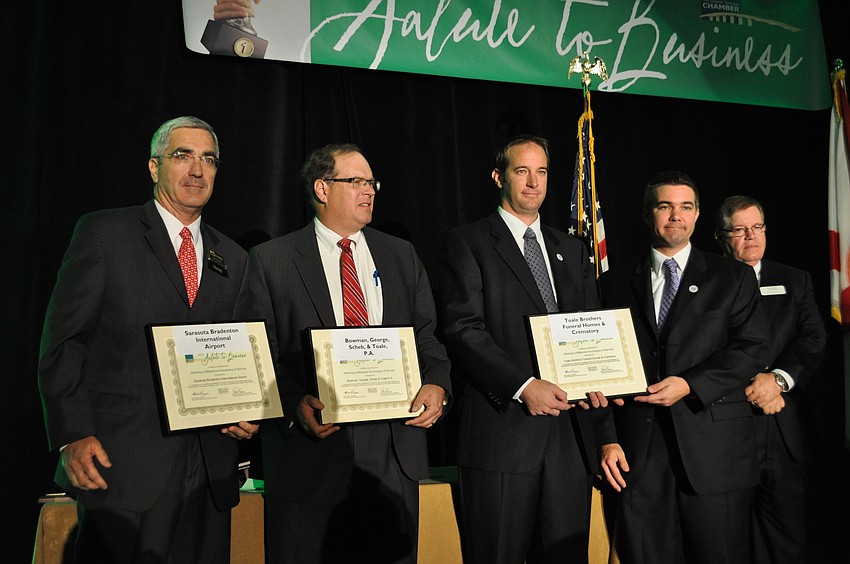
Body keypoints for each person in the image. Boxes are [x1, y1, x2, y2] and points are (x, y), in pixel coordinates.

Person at [37, 116, 258, 563]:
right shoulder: (104, 234)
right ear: (154, 167)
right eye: (182, 155)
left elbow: (237, 349)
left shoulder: (232, 256)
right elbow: (64, 343)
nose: (196, 169)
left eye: (208, 159)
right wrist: (72, 434)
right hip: (123, 461)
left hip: (208, 469)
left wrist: (247, 407)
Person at [236, 143, 451, 563]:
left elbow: (427, 337)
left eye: (372, 183)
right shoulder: (271, 260)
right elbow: (259, 354)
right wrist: (293, 403)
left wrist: (437, 384)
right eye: (356, 181)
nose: (369, 190)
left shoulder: (401, 255)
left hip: (392, 456)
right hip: (312, 458)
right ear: (322, 188)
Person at [436, 134, 607, 563]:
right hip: (501, 437)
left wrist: (603, 383)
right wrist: (524, 385)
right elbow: (462, 329)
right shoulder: (468, 241)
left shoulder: (572, 249)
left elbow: (592, 332)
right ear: (499, 177)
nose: (534, 182)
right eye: (522, 171)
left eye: (542, 172)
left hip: (569, 441)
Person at [597, 171, 769, 564]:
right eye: (665, 206)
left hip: (715, 454)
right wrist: (605, 437)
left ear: (697, 215)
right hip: (638, 455)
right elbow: (599, 366)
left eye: (686, 207)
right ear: (648, 214)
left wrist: (690, 385)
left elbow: (751, 349)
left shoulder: (733, 277)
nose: (676, 215)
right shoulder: (613, 283)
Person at [714, 195, 826, 564]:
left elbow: (812, 339)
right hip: (724, 429)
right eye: (740, 230)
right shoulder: (706, 281)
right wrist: (752, 384)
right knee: (726, 539)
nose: (751, 236)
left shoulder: (794, 280)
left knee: (785, 536)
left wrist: (776, 381)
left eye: (757, 227)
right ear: (721, 237)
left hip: (781, 430)